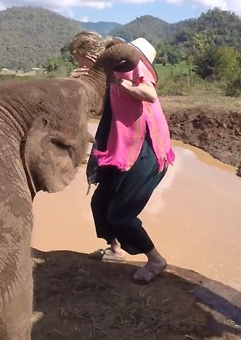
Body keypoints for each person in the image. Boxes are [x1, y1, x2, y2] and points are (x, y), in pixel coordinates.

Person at [68, 31, 175, 283]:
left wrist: (117, 82)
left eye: (81, 61)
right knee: (101, 203)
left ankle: (156, 260)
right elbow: (105, 109)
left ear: (92, 56)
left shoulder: (129, 67)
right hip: (121, 149)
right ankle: (115, 250)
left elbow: (149, 94)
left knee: (120, 215)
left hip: (146, 151)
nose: (80, 66)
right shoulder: (106, 75)